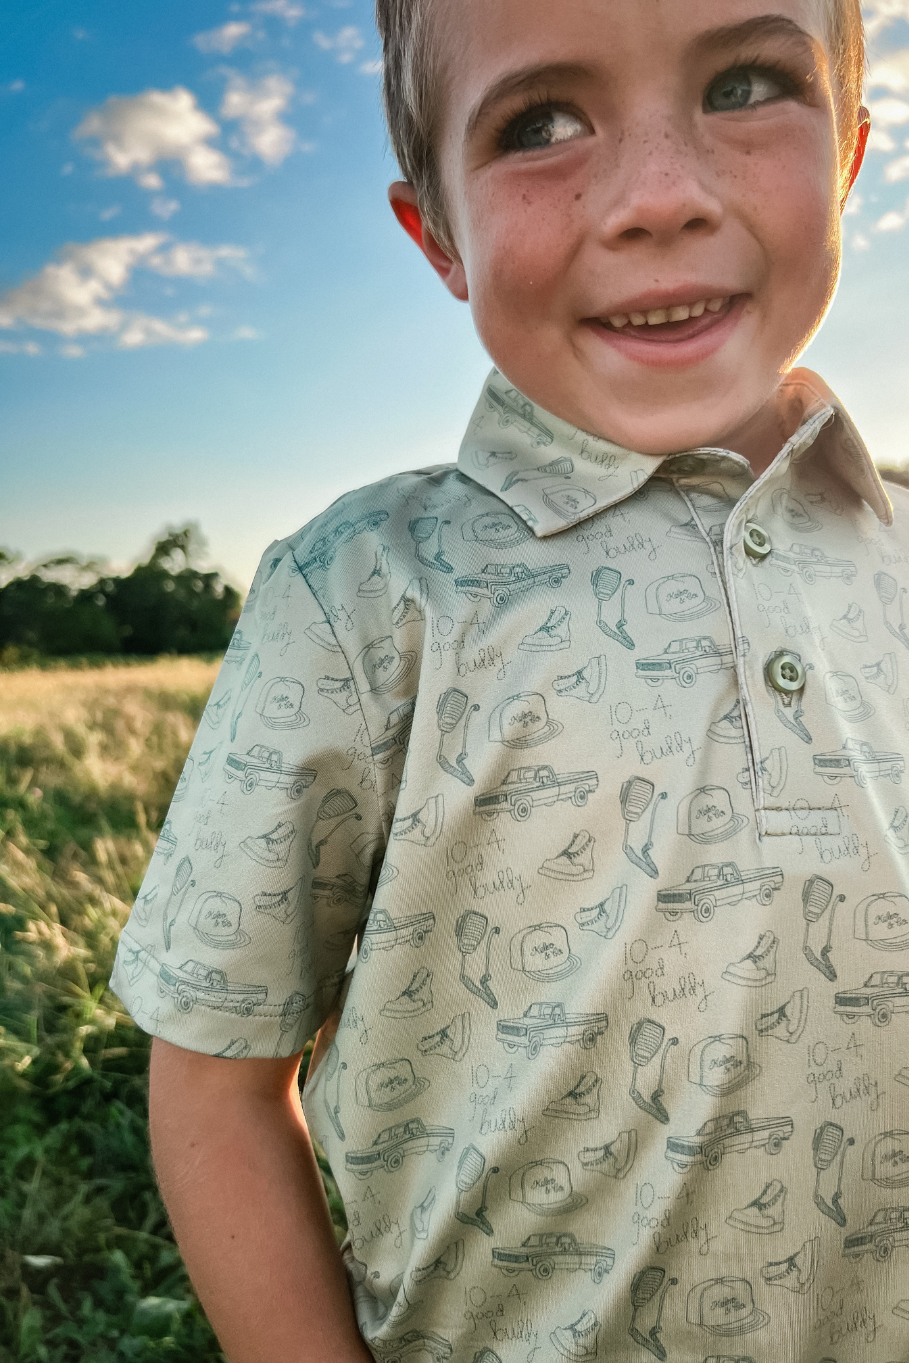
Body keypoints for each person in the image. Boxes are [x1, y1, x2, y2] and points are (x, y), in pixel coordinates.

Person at [109, 1, 909, 1360]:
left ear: (847, 154)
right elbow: (214, 1081)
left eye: (745, 83)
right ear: (438, 239)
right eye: (542, 123)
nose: (660, 195)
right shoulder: (365, 589)